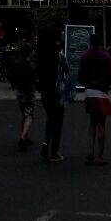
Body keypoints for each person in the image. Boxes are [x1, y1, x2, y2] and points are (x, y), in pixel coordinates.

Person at [77, 33, 111, 165]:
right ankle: (100, 156)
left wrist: (87, 84)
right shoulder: (105, 56)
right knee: (101, 123)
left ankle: (90, 151)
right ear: (100, 42)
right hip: (101, 92)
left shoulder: (85, 56)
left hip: (89, 92)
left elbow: (80, 76)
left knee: (92, 121)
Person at [36, 28, 68, 162]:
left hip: (45, 92)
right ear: (57, 41)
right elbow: (67, 71)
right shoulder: (60, 56)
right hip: (57, 92)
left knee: (50, 118)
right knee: (58, 121)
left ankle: (45, 142)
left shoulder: (42, 55)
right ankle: (54, 151)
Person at [8, 43, 37, 151]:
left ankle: (25, 135)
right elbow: (34, 78)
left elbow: (10, 74)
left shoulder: (17, 63)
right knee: (29, 115)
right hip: (29, 92)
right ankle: (23, 138)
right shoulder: (31, 65)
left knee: (24, 114)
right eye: (32, 51)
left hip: (20, 91)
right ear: (29, 52)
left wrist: (14, 84)